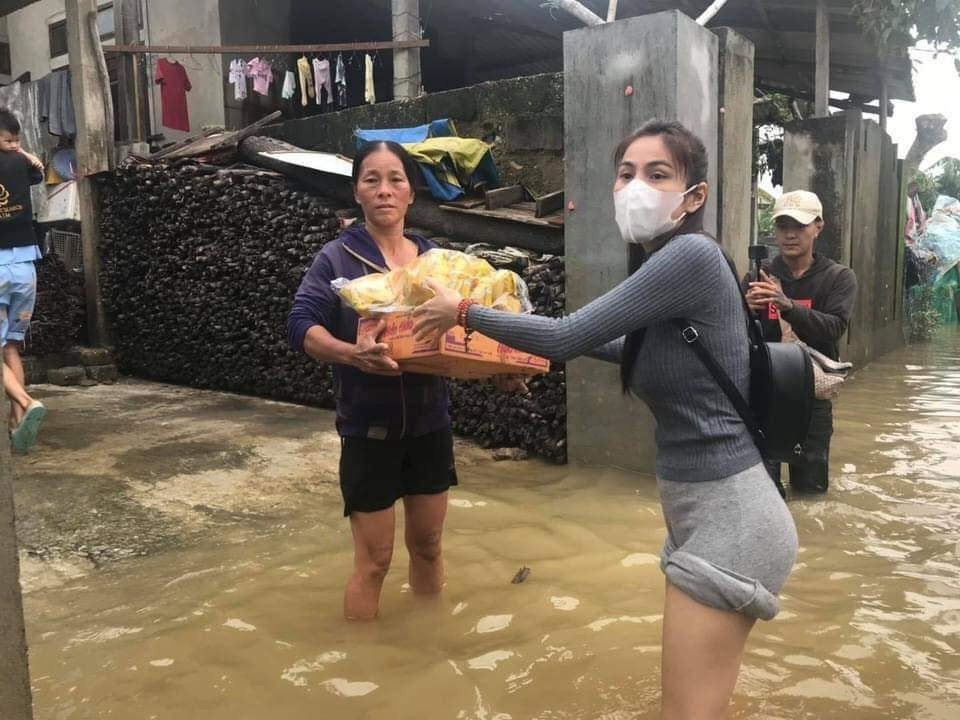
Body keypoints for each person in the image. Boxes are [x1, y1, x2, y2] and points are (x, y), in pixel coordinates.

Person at [413, 120, 798, 720]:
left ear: (693, 197)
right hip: (710, 515)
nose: (635, 186)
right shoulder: (668, 266)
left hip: (733, 519)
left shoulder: (690, 255)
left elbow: (568, 335)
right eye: (626, 174)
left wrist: (464, 310)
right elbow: (622, 350)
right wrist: (519, 353)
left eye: (657, 173)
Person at [287, 141, 522, 620]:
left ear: (412, 192)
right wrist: (352, 355)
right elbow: (301, 326)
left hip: (429, 425)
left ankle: (427, 643)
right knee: (374, 562)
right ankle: (365, 674)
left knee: (431, 547)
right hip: (368, 429)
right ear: (357, 192)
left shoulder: (436, 262)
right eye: (371, 180)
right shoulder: (337, 259)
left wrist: (502, 369)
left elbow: (466, 329)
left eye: (395, 179)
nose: (384, 190)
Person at [744, 190, 857, 494]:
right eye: (783, 227)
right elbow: (736, 336)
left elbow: (834, 327)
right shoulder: (759, 275)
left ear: (818, 226)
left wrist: (787, 306)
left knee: (811, 493)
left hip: (811, 396)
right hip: (763, 394)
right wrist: (743, 309)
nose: (790, 235)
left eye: (799, 226)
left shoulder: (838, 277)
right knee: (763, 493)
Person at [0, 108, 47, 452]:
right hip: (26, 267)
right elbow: (39, 170)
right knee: (11, 346)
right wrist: (24, 151)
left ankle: (26, 402)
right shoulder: (22, 163)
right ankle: (18, 422)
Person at [904, 181, 926, 246]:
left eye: (915, 191)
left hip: (914, 226)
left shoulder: (915, 198)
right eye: (913, 190)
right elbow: (910, 217)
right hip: (909, 226)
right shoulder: (907, 199)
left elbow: (920, 212)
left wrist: (921, 225)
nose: (914, 192)